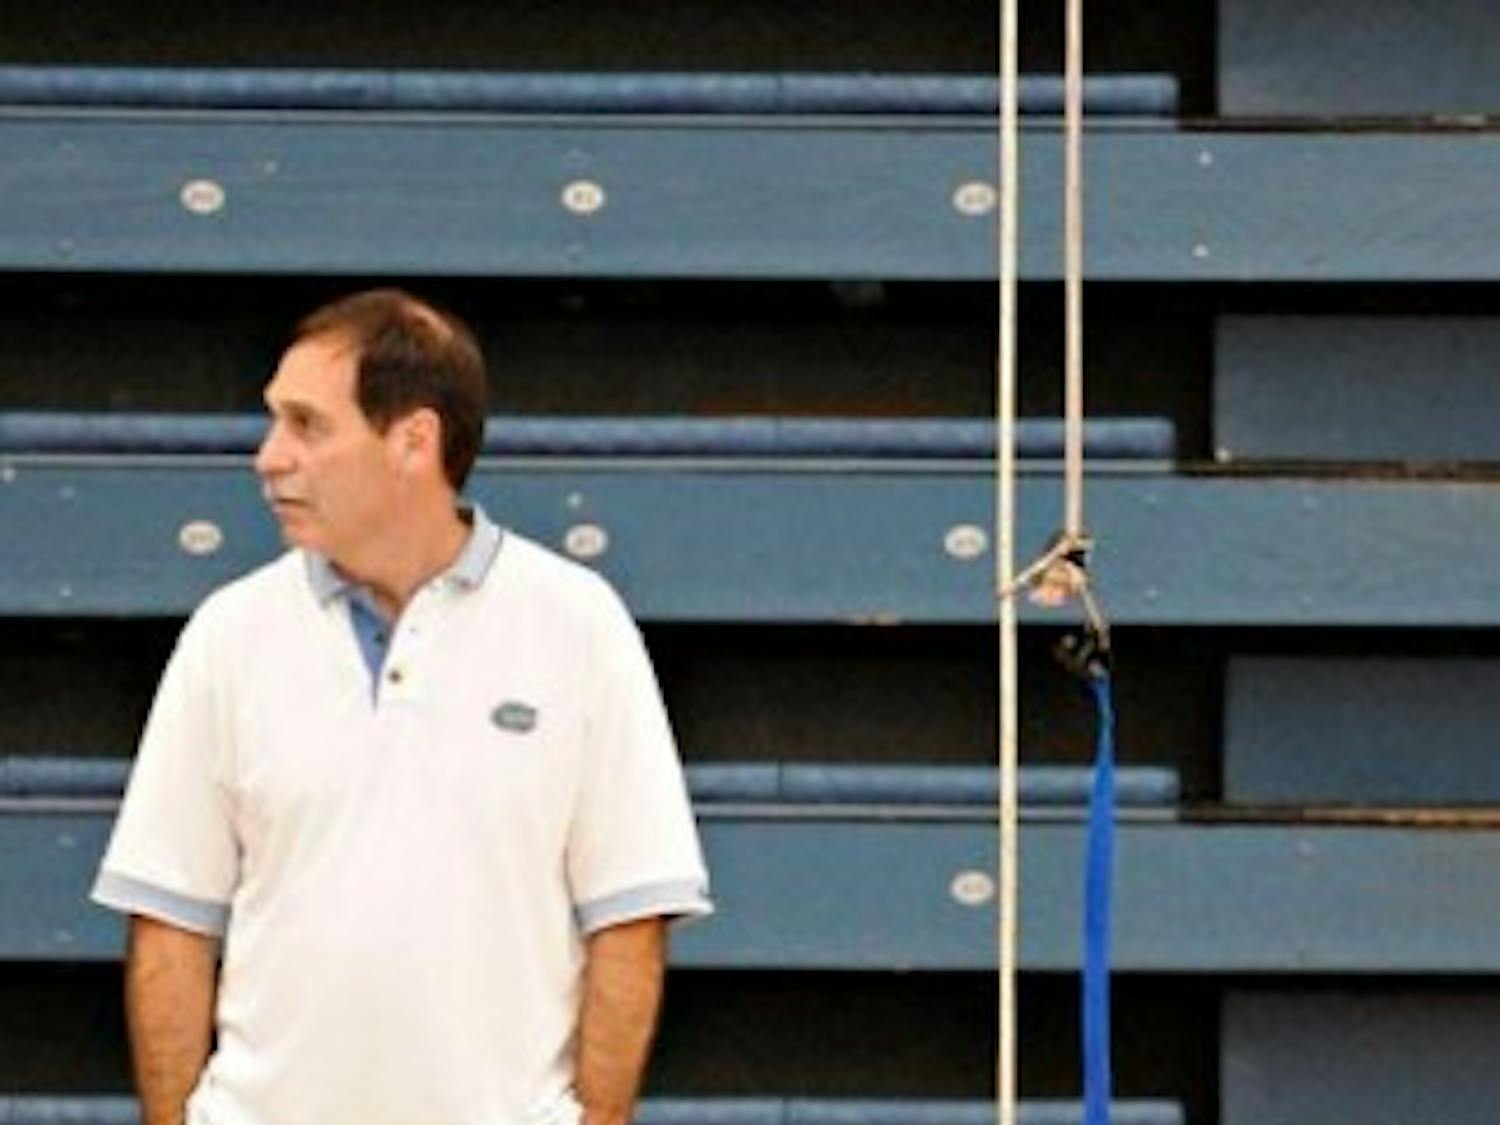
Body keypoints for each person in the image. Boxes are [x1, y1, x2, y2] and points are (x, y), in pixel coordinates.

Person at [91, 289, 712, 1125]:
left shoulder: (578, 622)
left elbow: (631, 914)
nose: (269, 456)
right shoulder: (228, 633)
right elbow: (169, 916)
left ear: (413, 441)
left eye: (307, 425)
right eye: (274, 421)